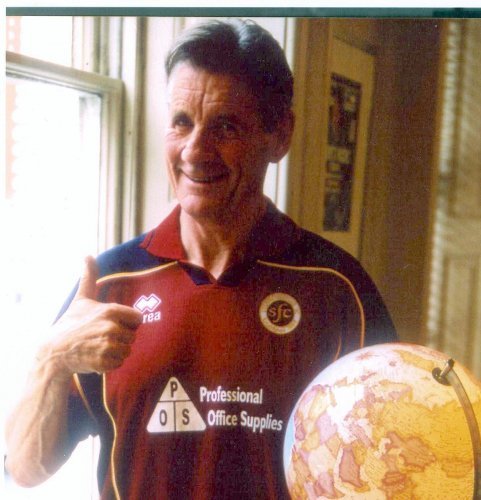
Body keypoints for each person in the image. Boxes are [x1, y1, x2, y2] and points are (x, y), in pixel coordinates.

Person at [5, 19, 397, 499]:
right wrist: (52, 357)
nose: (195, 150)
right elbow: (25, 469)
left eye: (226, 126)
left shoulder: (339, 291)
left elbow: (390, 467)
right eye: (181, 122)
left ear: (279, 135)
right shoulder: (109, 285)